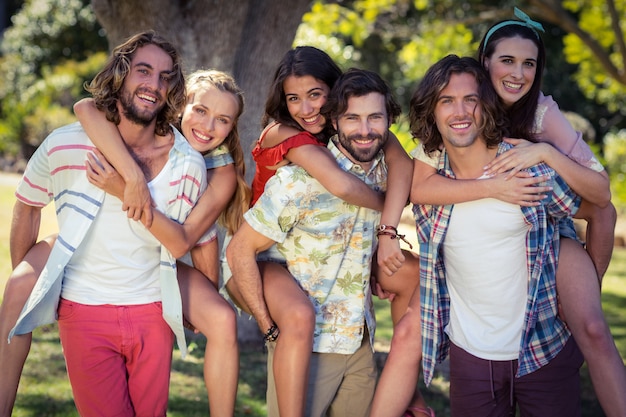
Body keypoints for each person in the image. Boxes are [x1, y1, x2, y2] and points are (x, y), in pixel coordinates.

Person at [409, 9, 626, 417]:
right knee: (411, 327)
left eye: (529, 63)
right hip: (492, 268)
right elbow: (420, 187)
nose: (518, 73)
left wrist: (544, 151)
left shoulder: (541, 114)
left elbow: (601, 197)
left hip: (554, 230)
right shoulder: (454, 111)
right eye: (507, 60)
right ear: (483, 63)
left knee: (594, 329)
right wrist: (493, 188)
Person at [0, 32, 225, 416]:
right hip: (84, 313)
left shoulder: (187, 162)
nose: (154, 85)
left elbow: (198, 239)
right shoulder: (64, 144)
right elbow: (28, 204)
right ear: (121, 74)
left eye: (165, 77)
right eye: (144, 71)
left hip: (152, 312)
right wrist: (42, 282)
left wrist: (197, 305)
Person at [222, 46, 416, 417]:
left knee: (415, 273)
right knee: (297, 316)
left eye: (315, 94)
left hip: (354, 330)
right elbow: (341, 187)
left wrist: (387, 232)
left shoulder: (364, 138)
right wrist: (389, 203)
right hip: (265, 260)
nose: (306, 108)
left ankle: (409, 387)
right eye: (294, 98)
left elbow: (400, 163)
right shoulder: (292, 144)